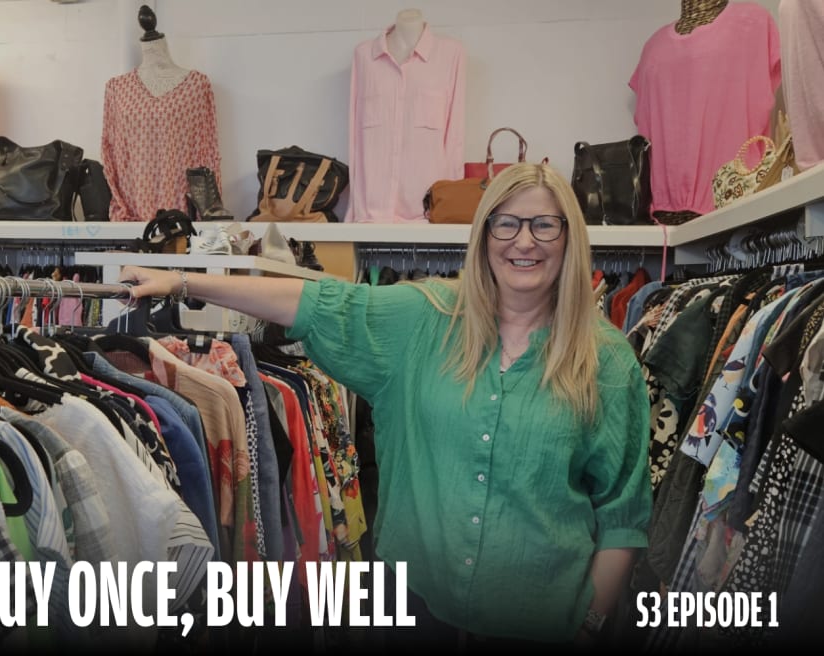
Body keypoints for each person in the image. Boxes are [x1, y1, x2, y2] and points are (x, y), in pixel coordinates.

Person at [120, 162, 652, 650]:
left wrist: (589, 629)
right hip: (416, 611)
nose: (524, 241)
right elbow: (314, 302)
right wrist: (185, 281)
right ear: (484, 235)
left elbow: (622, 516)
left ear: (569, 237)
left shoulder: (607, 362)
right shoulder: (423, 319)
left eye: (544, 225)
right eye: (506, 224)